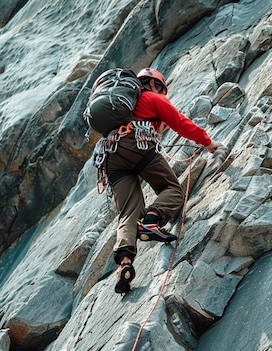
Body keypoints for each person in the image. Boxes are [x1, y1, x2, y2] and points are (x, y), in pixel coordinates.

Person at [105, 67, 223, 294]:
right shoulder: (151, 98)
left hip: (110, 157)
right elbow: (179, 121)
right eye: (159, 87)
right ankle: (151, 220)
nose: (161, 92)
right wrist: (207, 142)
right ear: (152, 85)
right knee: (173, 190)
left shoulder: (118, 109)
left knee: (128, 212)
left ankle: (125, 265)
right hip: (136, 144)